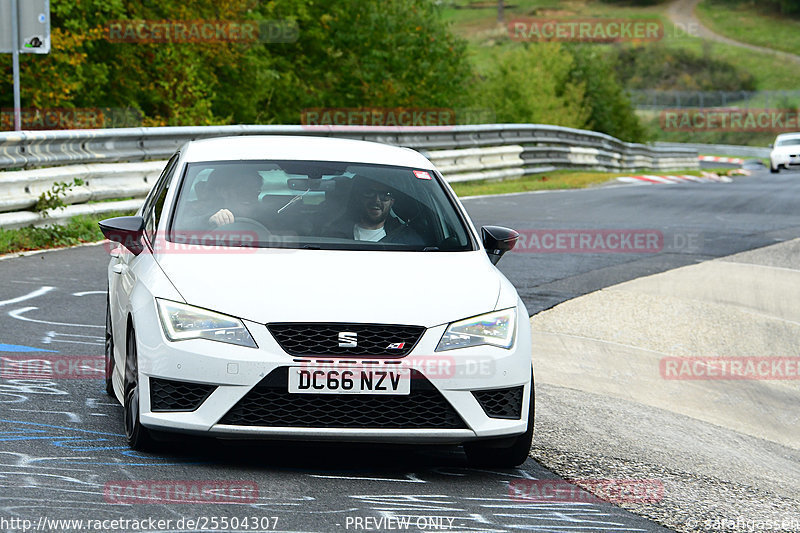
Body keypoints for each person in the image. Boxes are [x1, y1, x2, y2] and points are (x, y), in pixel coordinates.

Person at [325, 175, 423, 245]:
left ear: (392, 201)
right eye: (369, 193)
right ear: (359, 197)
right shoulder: (333, 234)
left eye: (385, 195)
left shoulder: (407, 239)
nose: (376, 200)